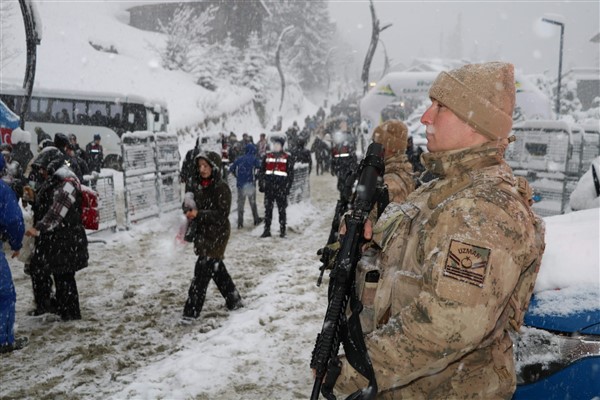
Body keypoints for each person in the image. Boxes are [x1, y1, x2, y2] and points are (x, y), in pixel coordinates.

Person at [331, 62, 546, 399]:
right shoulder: (441, 189)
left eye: (441, 107)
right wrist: (365, 243)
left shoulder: (485, 211)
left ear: (475, 121)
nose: (425, 117)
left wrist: (355, 368)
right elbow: (406, 265)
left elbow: (449, 325)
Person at [25, 146, 89, 321]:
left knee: (65, 277)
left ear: (53, 165)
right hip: (58, 240)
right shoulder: (57, 179)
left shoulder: (67, 182)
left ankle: (70, 314)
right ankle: (57, 308)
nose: (42, 173)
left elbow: (56, 212)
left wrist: (38, 227)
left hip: (67, 240)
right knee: (54, 274)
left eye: (44, 169)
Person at [181, 151, 243, 321]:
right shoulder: (197, 185)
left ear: (213, 167)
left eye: (205, 166)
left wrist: (198, 214)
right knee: (216, 269)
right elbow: (189, 206)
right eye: (200, 166)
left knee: (201, 272)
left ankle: (190, 312)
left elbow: (222, 214)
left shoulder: (221, 187)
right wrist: (187, 207)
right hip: (202, 233)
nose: (202, 169)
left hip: (217, 233)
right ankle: (234, 299)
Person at [0, 153, 28, 354]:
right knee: (5, 294)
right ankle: (4, 340)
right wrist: (17, 243)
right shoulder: (2, 191)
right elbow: (13, 221)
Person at [371, 120, 415, 204]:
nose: (372, 149)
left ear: (388, 148)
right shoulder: (398, 169)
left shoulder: (391, 182)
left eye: (376, 144)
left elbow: (371, 215)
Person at [258, 136, 294, 238]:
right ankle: (267, 230)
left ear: (282, 146)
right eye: (274, 144)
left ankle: (282, 230)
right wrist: (261, 183)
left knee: (282, 210)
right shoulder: (267, 156)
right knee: (268, 210)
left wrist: (287, 188)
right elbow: (262, 171)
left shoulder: (287, 157)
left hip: (281, 189)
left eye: (278, 145)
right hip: (269, 188)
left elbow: (290, 174)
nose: (276, 146)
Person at [229, 143, 262, 228]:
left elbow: (231, 168)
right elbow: (259, 168)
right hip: (250, 184)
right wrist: (256, 178)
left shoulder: (239, 159)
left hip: (240, 184)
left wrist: (237, 176)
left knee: (241, 204)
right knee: (253, 203)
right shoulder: (254, 159)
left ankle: (240, 223)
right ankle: (256, 219)